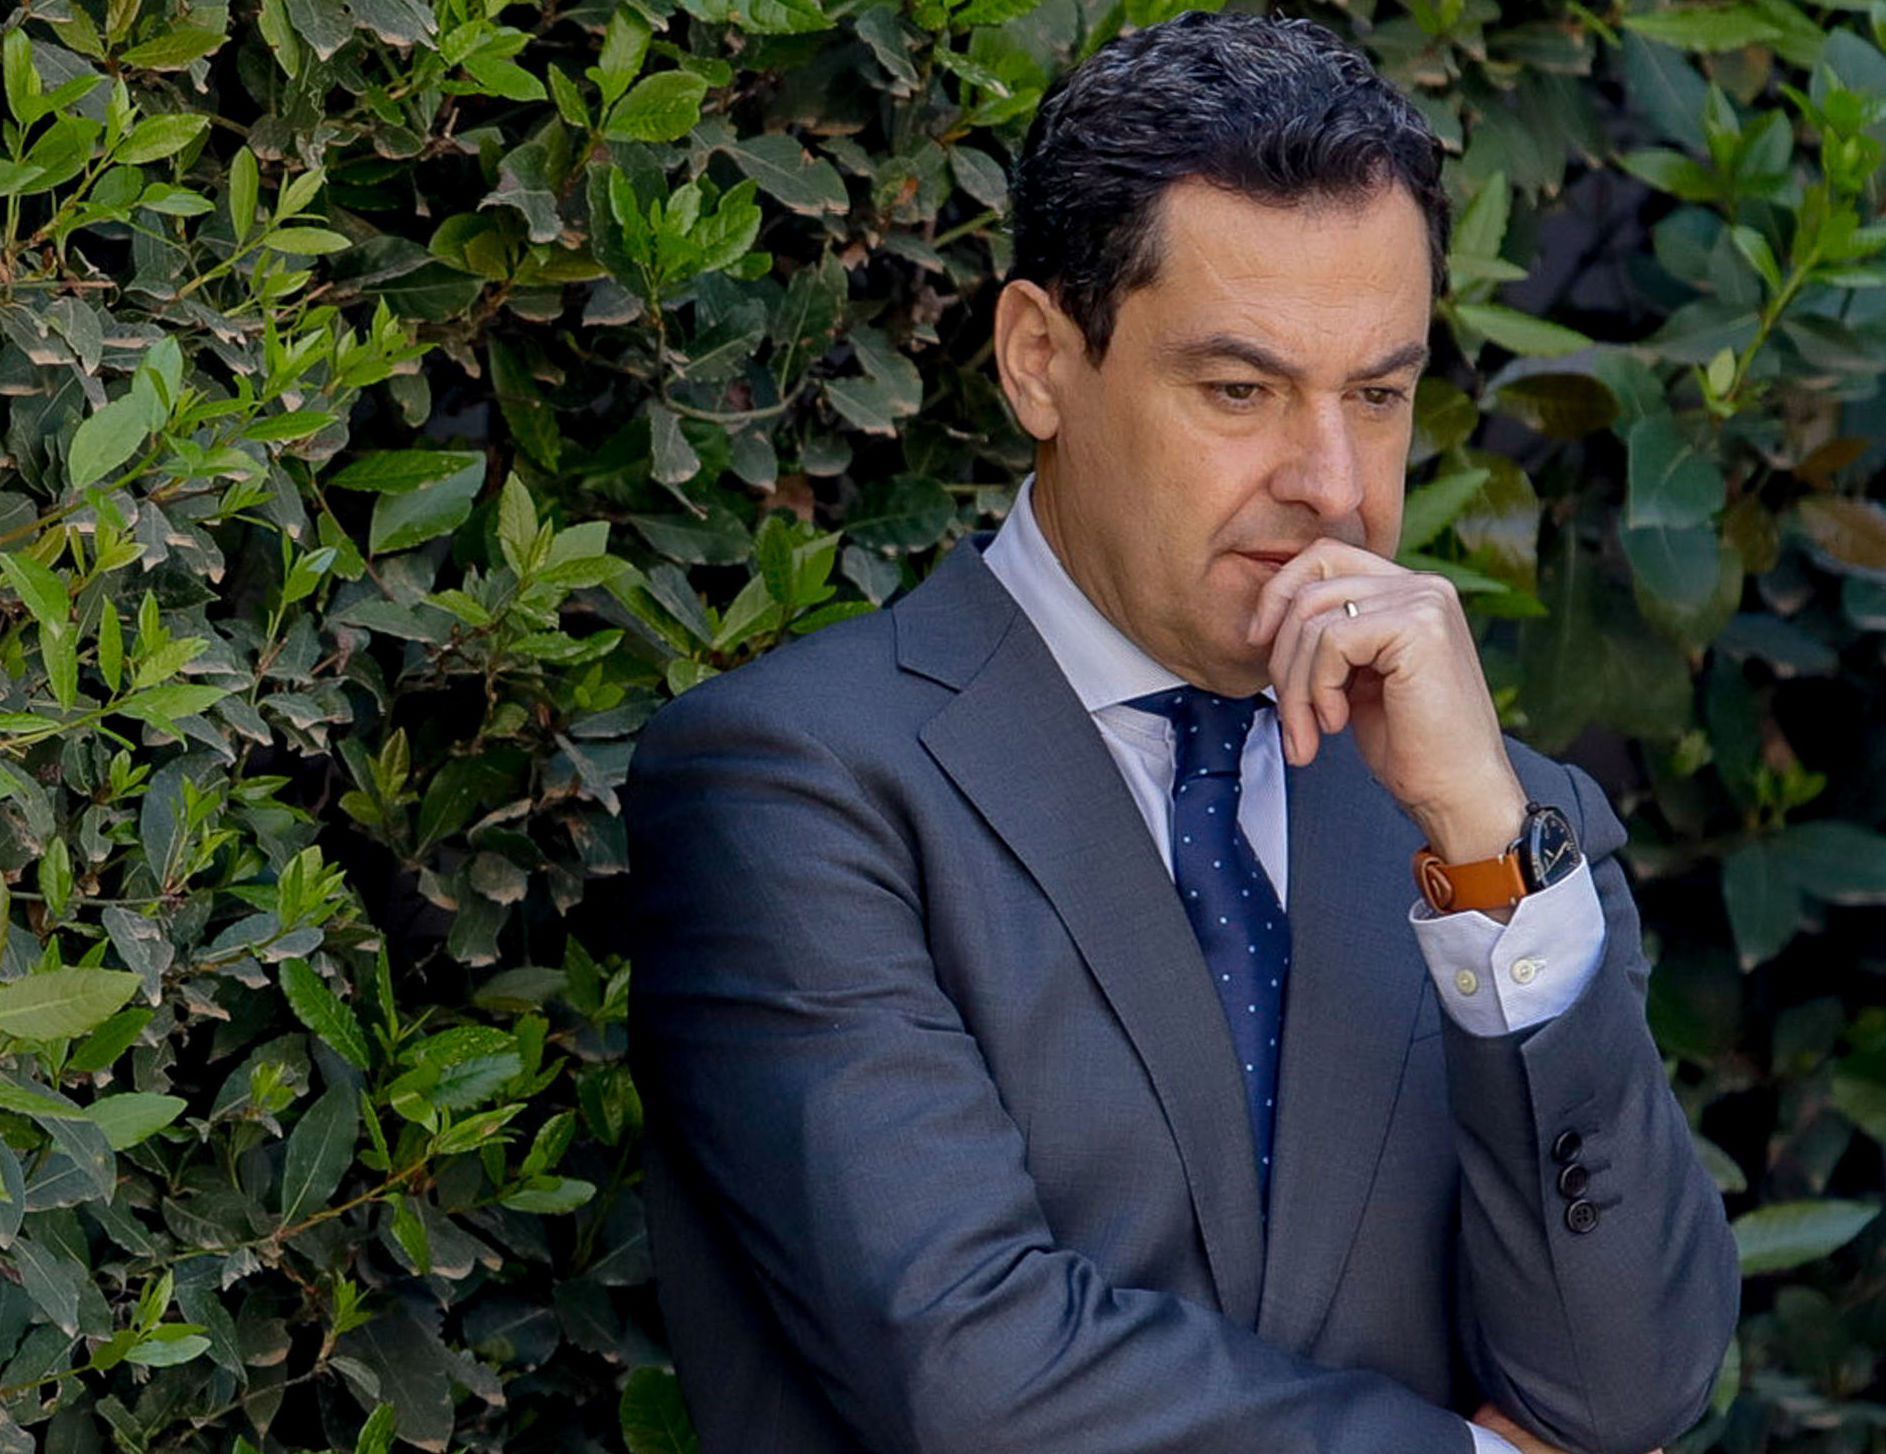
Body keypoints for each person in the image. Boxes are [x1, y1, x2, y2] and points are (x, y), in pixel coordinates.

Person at [624, 13, 1740, 1453]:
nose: (1330, 482)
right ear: (1039, 358)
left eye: (1378, 395)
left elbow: (1632, 1388)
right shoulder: (796, 780)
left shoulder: (1505, 827)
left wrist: (1483, 853)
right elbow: (967, 1368)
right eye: (1239, 390)